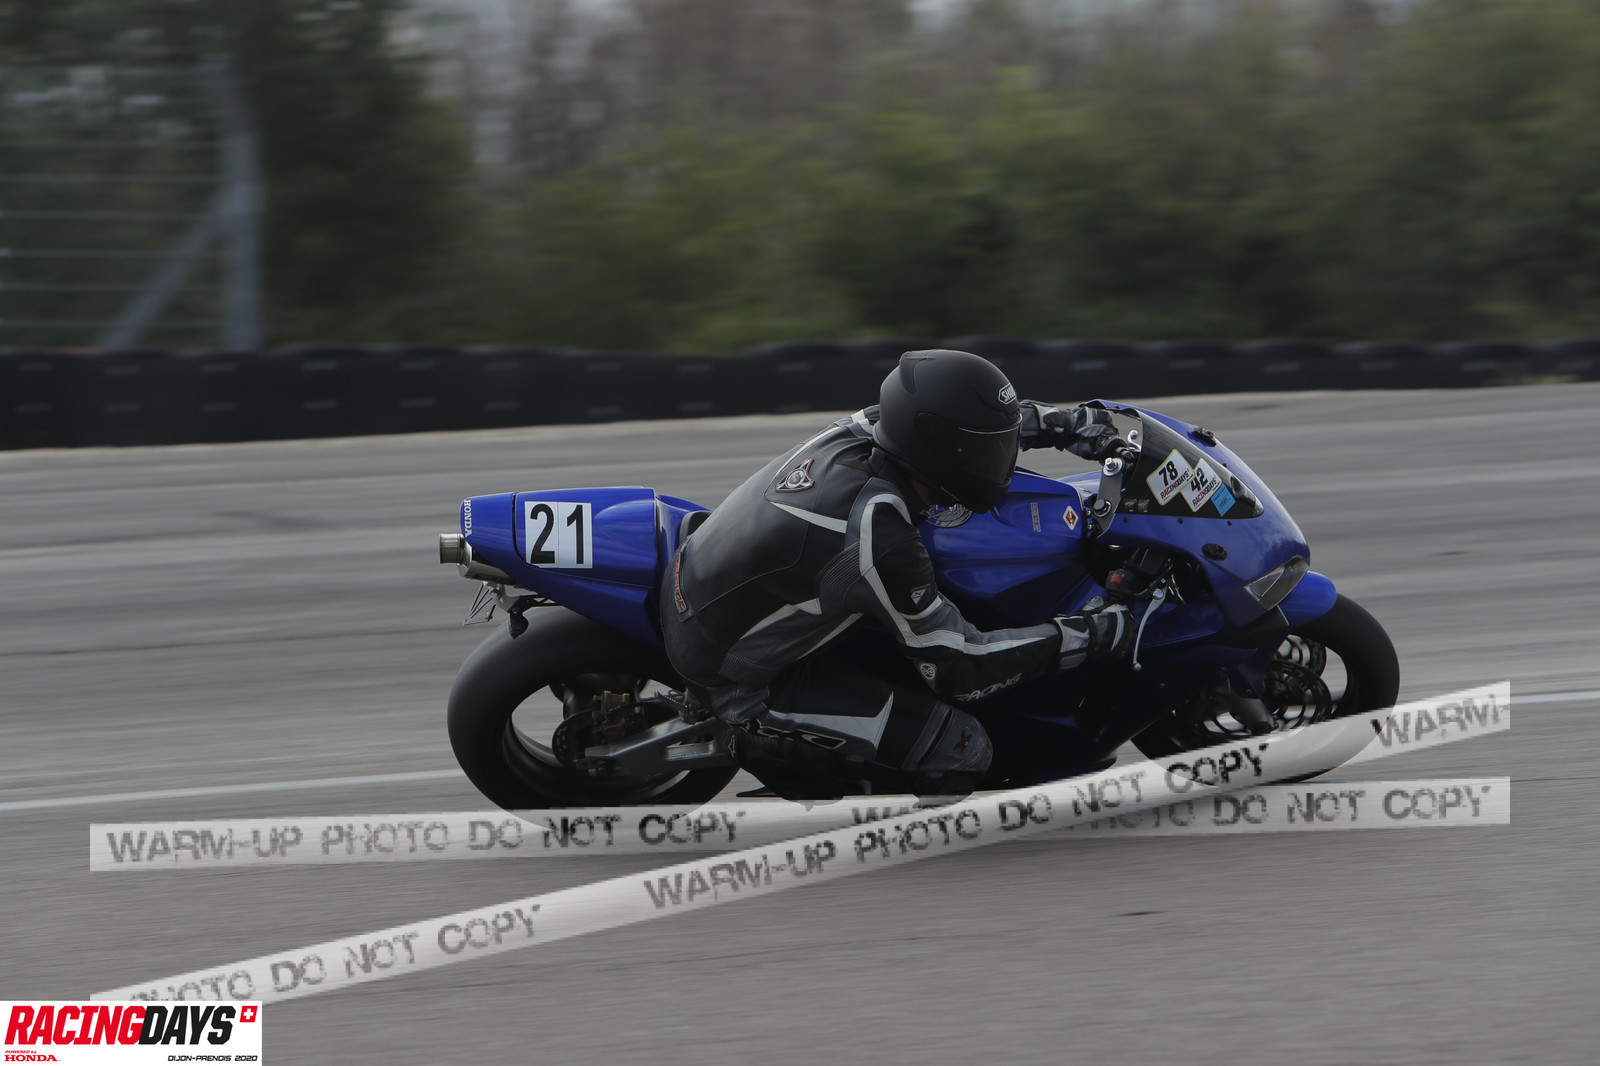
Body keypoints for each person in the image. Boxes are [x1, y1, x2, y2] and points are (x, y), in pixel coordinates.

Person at [660, 349, 1135, 802]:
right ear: (941, 450)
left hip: (703, 579)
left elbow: (978, 428)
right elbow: (960, 668)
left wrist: (1070, 425)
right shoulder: (879, 534)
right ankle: (757, 743)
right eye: (983, 451)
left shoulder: (875, 427)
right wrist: (1085, 634)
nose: (999, 458)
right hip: (737, 675)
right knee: (962, 749)